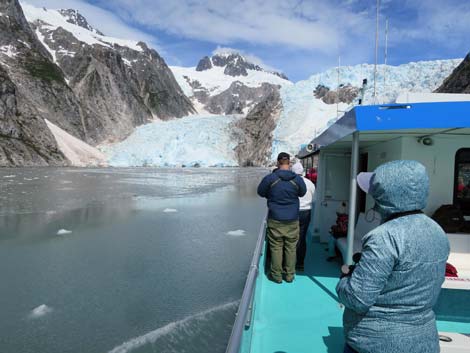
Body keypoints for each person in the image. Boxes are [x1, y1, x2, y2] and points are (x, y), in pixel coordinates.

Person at [336, 160, 450, 353]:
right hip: (423, 341)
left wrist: (345, 278)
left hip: (375, 343)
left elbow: (357, 299)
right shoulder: (437, 230)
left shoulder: (384, 237)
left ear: (384, 197)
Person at [257, 152, 307, 283]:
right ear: (289, 163)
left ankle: (277, 276)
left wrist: (272, 194)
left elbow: (260, 192)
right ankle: (290, 275)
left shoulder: (270, 178)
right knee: (291, 247)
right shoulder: (297, 179)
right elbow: (302, 193)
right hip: (292, 219)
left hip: (275, 219)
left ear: (278, 163)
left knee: (276, 247)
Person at [291, 162, 315, 271]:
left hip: (293, 212)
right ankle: (300, 264)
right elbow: (314, 199)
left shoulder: (291, 182)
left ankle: (289, 264)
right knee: (302, 237)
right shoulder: (310, 183)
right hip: (306, 213)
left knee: (291, 238)